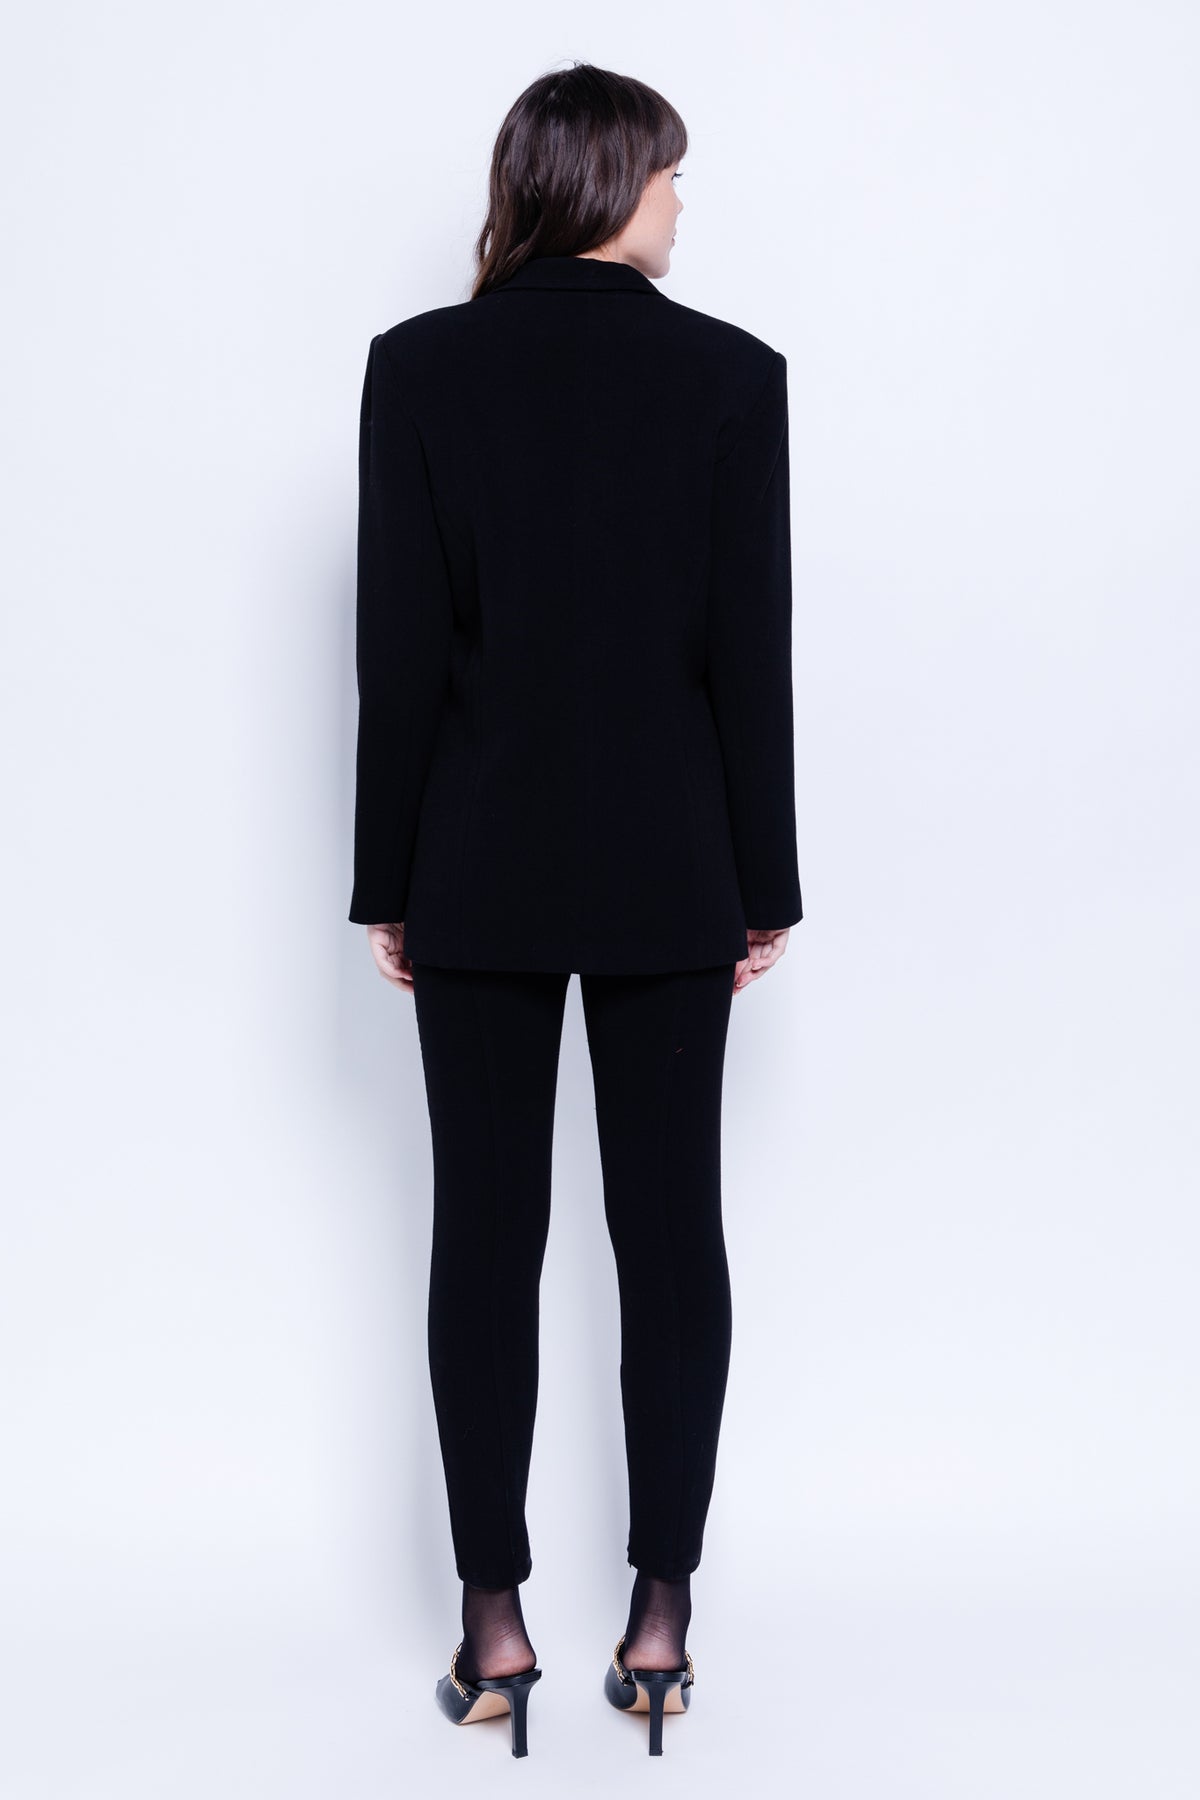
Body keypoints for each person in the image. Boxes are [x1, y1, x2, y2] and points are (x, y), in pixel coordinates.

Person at [348, 62, 803, 1758]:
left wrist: (388, 880)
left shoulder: (420, 369)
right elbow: (746, 654)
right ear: (609, 181)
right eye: (671, 175)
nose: (683, 202)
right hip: (674, 869)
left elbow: (402, 653)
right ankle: (662, 1624)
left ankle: (495, 1630)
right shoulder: (732, 377)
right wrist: (765, 882)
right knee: (670, 1240)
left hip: (476, 865)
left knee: (486, 1240)